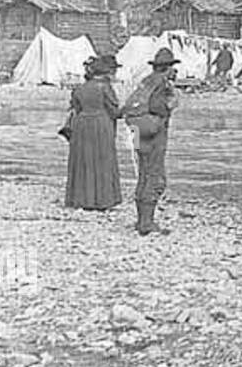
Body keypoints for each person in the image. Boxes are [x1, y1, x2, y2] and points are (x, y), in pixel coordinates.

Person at [125, 47, 179, 235]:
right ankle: (147, 223)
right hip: (154, 133)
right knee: (155, 176)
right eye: (173, 68)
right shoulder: (163, 85)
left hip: (138, 132)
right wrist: (171, 103)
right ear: (168, 68)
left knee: (143, 173)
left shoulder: (146, 81)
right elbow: (158, 108)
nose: (175, 72)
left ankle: (141, 220)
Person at [65, 54, 123, 211]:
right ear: (104, 73)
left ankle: (81, 199)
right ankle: (102, 199)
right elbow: (114, 111)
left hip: (82, 125)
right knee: (102, 159)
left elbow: (75, 109)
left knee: (83, 160)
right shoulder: (105, 87)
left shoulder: (79, 89)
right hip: (101, 124)